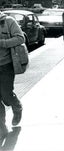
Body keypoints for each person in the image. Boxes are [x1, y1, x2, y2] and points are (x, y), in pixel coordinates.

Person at [0, 12, 24, 141]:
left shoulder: (8, 21)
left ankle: (16, 105)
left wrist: (2, 43)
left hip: (5, 65)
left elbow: (20, 38)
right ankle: (2, 129)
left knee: (6, 95)